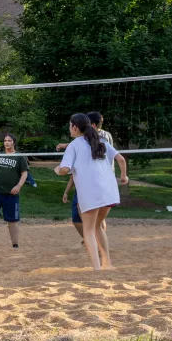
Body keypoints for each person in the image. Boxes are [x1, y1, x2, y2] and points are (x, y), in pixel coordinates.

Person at [54, 113, 128, 270]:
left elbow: (65, 169)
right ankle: (107, 263)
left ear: (74, 127)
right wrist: (123, 176)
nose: (69, 128)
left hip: (90, 192)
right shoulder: (100, 142)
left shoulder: (74, 145)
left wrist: (57, 170)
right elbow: (121, 159)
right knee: (98, 226)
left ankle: (97, 268)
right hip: (109, 191)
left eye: (69, 125)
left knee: (88, 230)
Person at [59, 112, 114, 243]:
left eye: (88, 123)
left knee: (90, 217)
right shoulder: (101, 138)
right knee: (91, 217)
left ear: (93, 125)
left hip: (93, 180)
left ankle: (95, 240)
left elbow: (83, 144)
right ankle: (93, 240)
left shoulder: (98, 138)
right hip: (98, 180)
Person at [0, 133, 29, 248]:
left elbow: (24, 173)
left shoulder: (19, 157)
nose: (6, 142)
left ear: (14, 142)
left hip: (11, 193)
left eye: (9, 140)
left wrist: (18, 186)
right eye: (5, 141)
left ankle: (15, 244)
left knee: (12, 219)